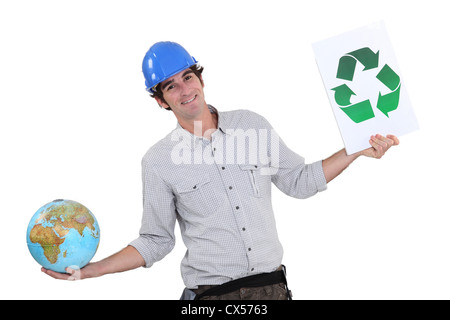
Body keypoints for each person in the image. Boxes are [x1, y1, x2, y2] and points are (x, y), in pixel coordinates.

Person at [42, 41, 399, 300]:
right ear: (159, 100)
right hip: (211, 299)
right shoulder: (158, 161)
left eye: (187, 76)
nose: (185, 90)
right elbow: (156, 240)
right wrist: (90, 270)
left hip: (272, 291)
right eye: (171, 86)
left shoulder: (252, 126)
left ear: (199, 77)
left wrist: (354, 150)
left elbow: (299, 181)